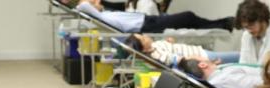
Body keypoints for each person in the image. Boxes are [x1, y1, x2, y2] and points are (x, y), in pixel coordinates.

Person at [75, 0, 234, 34]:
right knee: (188, 16)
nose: (95, 1)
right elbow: (83, 6)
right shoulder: (103, 17)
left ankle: (221, 24)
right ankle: (221, 24)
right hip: (148, 25)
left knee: (188, 18)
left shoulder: (105, 13)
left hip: (149, 20)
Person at [179, 56, 262, 88]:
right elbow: (265, 86)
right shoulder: (224, 80)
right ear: (203, 65)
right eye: (199, 56)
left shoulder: (219, 74)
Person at [126, 33, 241, 66]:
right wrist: (207, 62)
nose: (145, 36)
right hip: (203, 56)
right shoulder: (157, 55)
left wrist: (169, 43)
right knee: (239, 56)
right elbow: (182, 60)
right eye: (142, 39)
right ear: (144, 50)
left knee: (239, 58)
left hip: (200, 52)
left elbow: (171, 50)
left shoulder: (154, 46)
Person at [234, 0, 270, 65]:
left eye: (251, 25)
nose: (249, 30)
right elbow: (243, 63)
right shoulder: (246, 35)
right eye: (246, 27)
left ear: (262, 19)